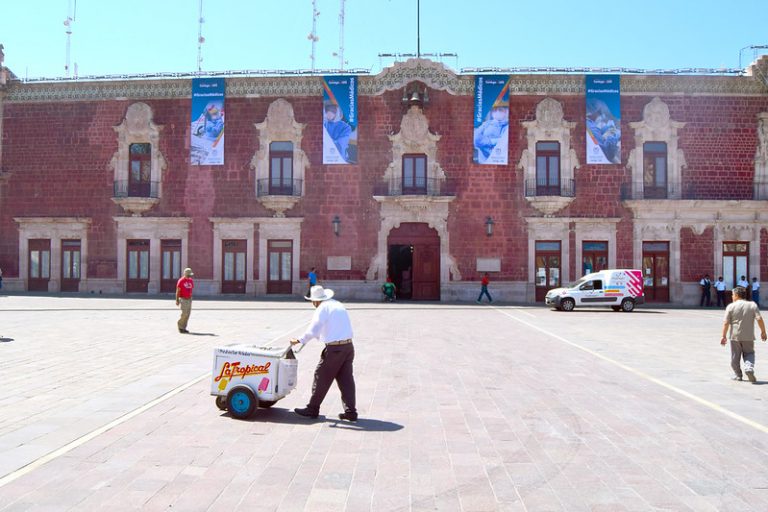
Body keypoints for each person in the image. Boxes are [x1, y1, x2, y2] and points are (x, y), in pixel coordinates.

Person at [291, 285, 357, 421]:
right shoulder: (337, 304)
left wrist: (299, 340)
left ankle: (312, 408)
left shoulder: (322, 308)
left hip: (335, 349)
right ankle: (351, 412)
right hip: (348, 346)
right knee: (346, 380)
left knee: (320, 376)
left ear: (316, 301)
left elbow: (314, 329)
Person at [721, 286, 767, 383]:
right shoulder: (752, 305)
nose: (732, 296)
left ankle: (738, 375)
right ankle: (749, 368)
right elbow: (759, 319)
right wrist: (763, 332)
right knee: (749, 353)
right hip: (748, 336)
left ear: (737, 295)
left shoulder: (730, 306)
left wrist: (723, 336)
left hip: (734, 336)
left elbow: (726, 323)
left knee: (735, 356)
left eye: (732, 295)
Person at [175, 268, 194, 334]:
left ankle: (183, 328)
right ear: (185, 274)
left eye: (190, 275)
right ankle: (180, 325)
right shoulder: (181, 281)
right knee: (184, 313)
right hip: (183, 299)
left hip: (189, 299)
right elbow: (178, 291)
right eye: (189, 275)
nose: (190, 276)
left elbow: (191, 289)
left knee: (188, 314)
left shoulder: (191, 280)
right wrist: (177, 300)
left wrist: (190, 296)